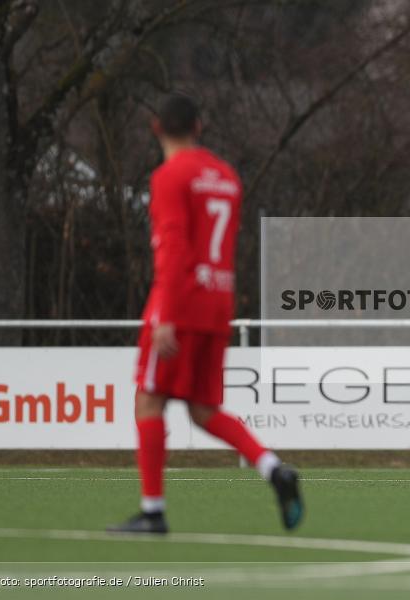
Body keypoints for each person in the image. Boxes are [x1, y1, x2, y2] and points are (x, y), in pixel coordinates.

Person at [108, 94, 303, 534]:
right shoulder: (227, 177)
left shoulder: (169, 177)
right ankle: (274, 469)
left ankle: (153, 511)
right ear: (200, 126)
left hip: (181, 301)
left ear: (157, 128)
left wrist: (165, 315)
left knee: (148, 399)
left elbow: (175, 248)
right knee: (202, 409)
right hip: (218, 304)